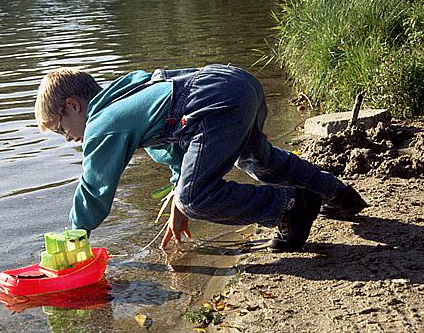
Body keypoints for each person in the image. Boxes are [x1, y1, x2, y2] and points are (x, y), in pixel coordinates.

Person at [34, 64, 367, 252]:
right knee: (258, 159)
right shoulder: (124, 101)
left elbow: (94, 189)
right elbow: (172, 152)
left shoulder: (101, 125)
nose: (69, 138)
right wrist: (177, 203)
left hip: (212, 101)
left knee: (197, 198)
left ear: (73, 106)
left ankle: (291, 207)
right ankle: (336, 194)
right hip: (235, 82)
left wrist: (75, 239)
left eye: (61, 128)